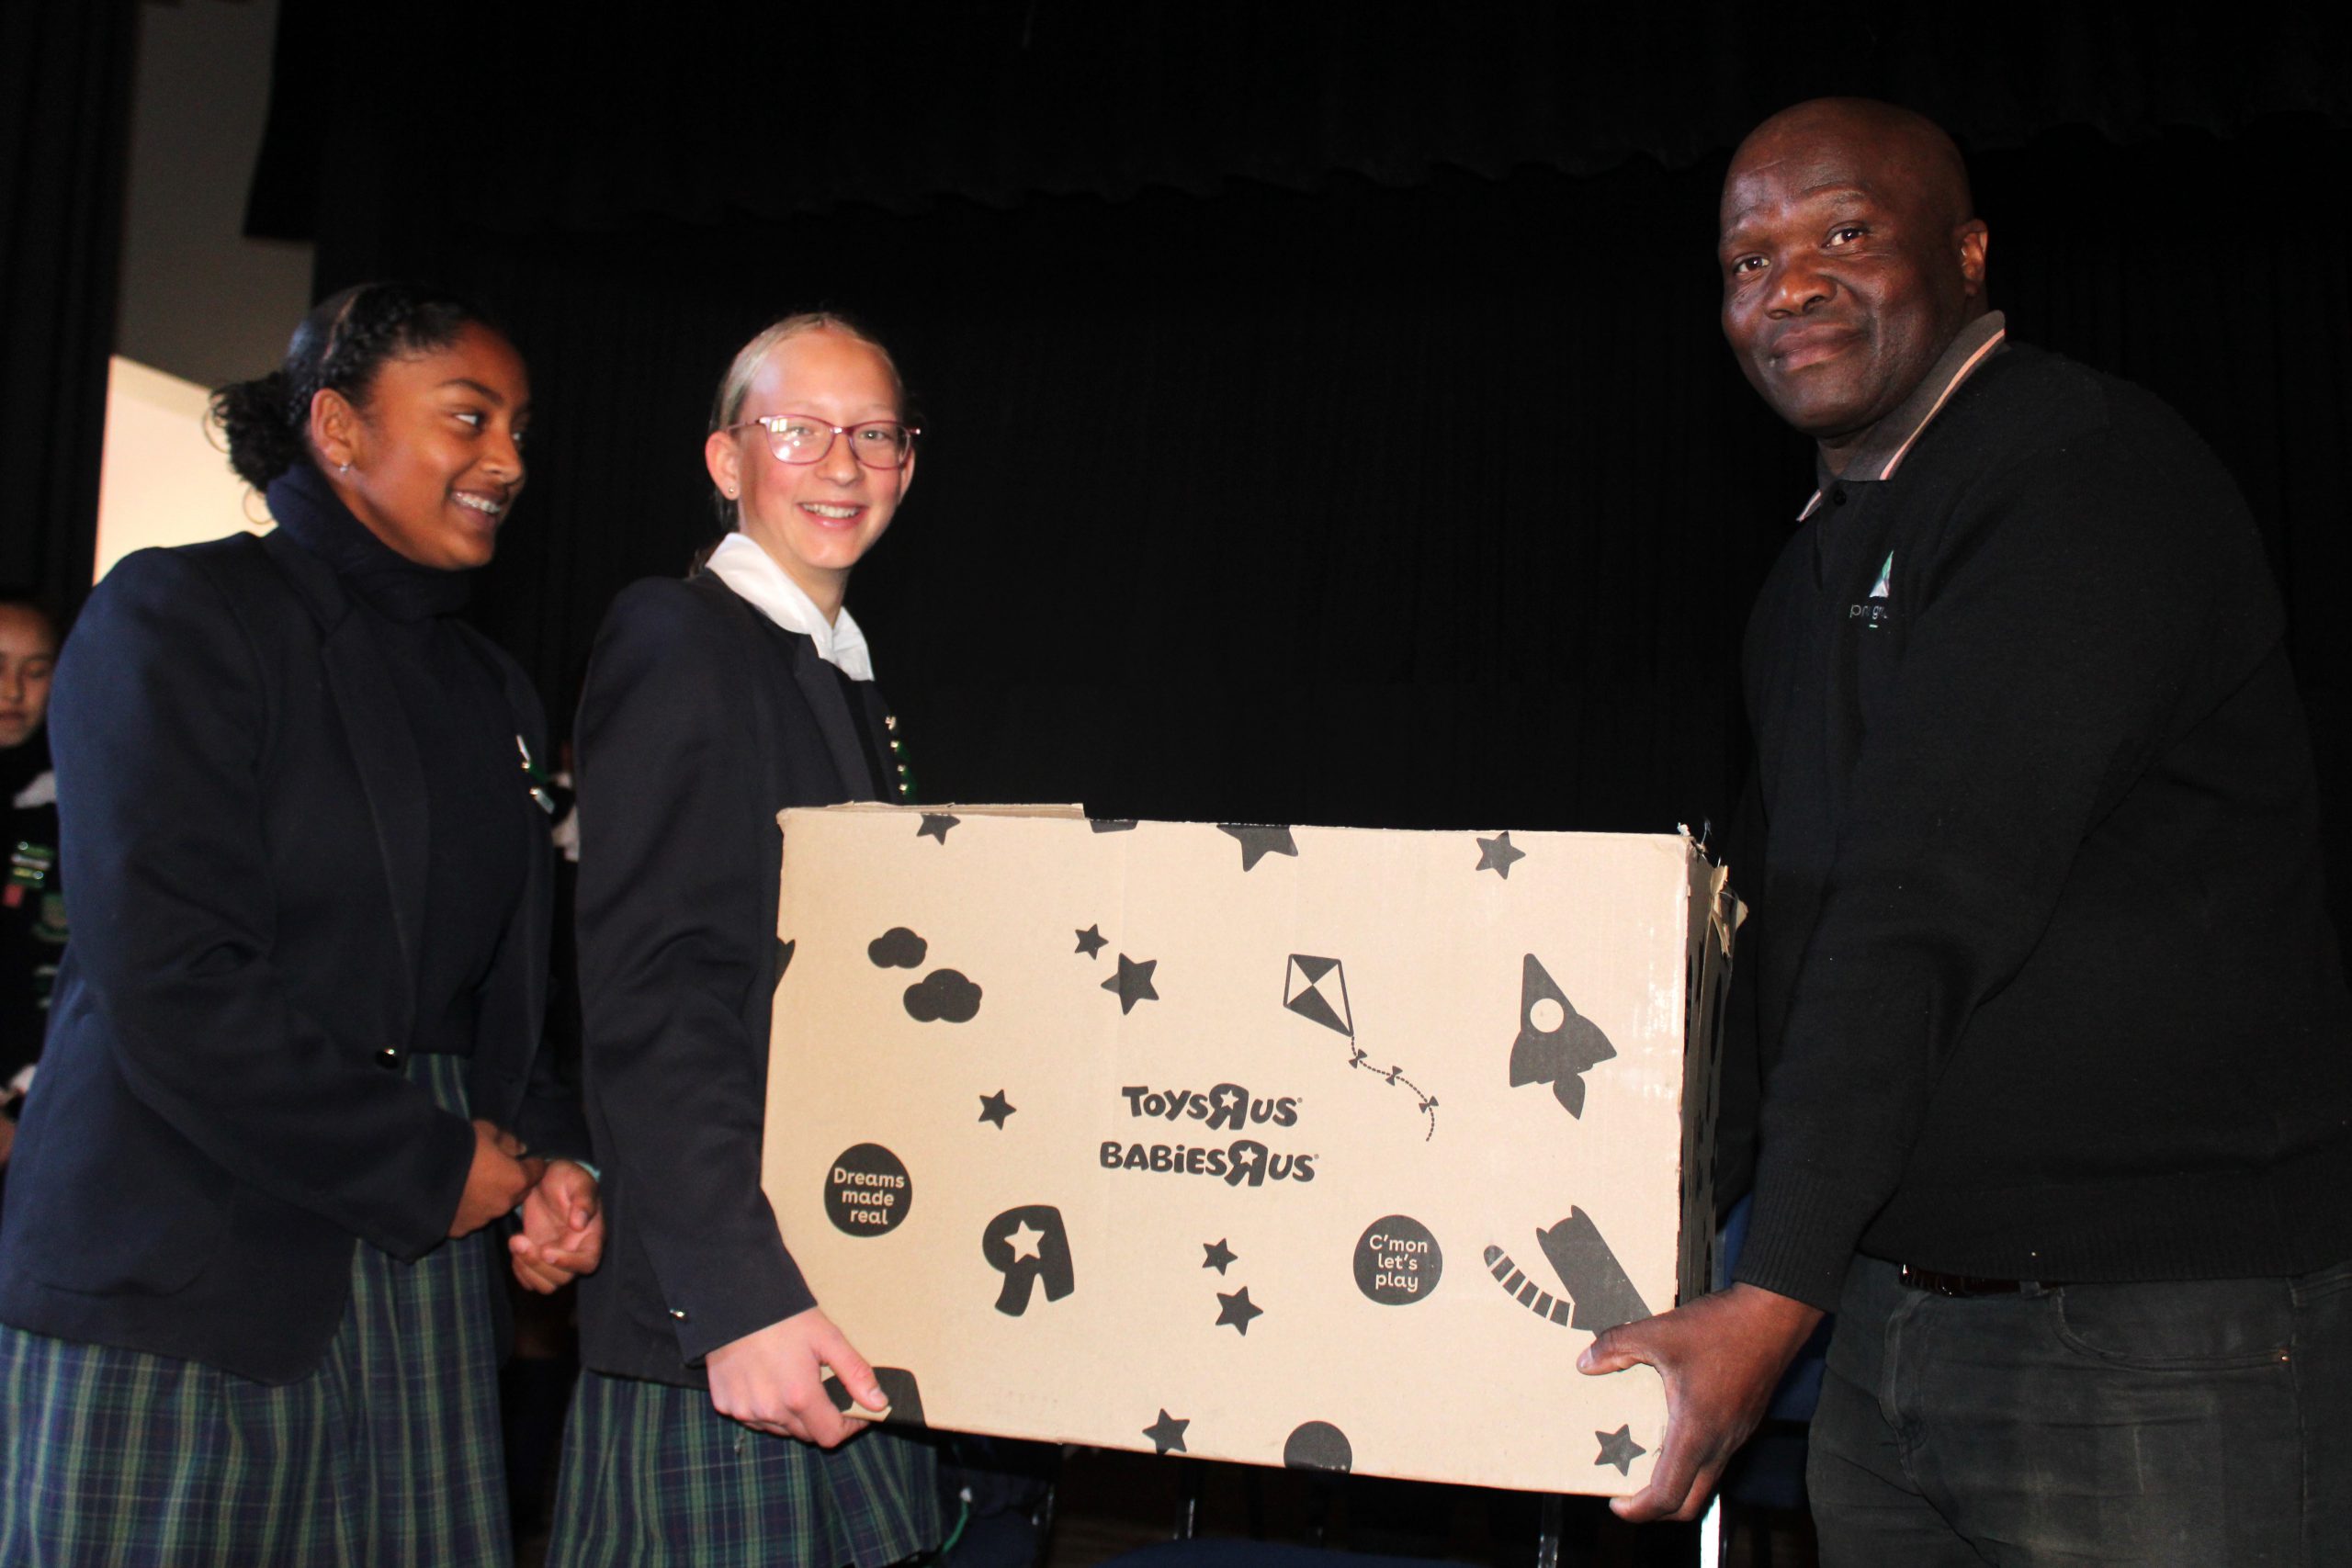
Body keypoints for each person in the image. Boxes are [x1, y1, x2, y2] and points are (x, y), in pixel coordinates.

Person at [1581, 98, 2352, 1564]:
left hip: (2154, 1348)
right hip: (1893, 1327)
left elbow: (1919, 898)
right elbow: (1783, 949)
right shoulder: (1806, 578)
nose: (1786, 284)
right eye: (1746, 259)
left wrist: (1773, 1289)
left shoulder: (2080, 477)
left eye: (1844, 235)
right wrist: (1653, 1232)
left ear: (1972, 252)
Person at [0, 281, 603, 1564]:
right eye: (468, 416)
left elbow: (501, 998)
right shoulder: (175, 615)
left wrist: (553, 1158)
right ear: (337, 428)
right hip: (187, 1262)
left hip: (421, 1274)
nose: (507, 458)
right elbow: (172, 973)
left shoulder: (493, 686)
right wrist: (433, 1165)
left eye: (520, 427)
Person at [548, 313, 939, 1566]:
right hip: (725, 1324)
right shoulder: (681, 637)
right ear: (727, 462)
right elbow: (655, 992)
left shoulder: (834, 674)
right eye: (799, 430)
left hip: (821, 1289)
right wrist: (737, 1295)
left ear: (907, 466)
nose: (841, 462)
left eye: (873, 434)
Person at [0, 594, 62, 1169]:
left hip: (41, 1108)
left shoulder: (78, 806)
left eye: (36, 670)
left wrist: (21, 1105)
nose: (13, 691)